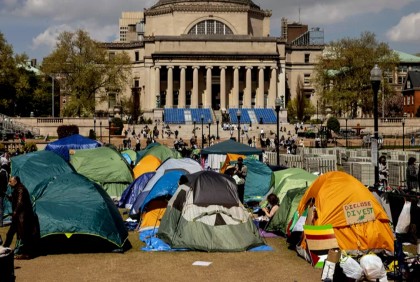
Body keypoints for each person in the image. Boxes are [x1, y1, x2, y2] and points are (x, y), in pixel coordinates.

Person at [3, 176, 39, 260]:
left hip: (22, 217)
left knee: (24, 236)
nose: (9, 183)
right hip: (18, 217)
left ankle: (27, 254)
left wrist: (15, 212)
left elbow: (20, 202)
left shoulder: (21, 189)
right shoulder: (17, 189)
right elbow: (16, 200)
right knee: (10, 233)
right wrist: (9, 197)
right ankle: (4, 248)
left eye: (10, 181)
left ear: (15, 181)